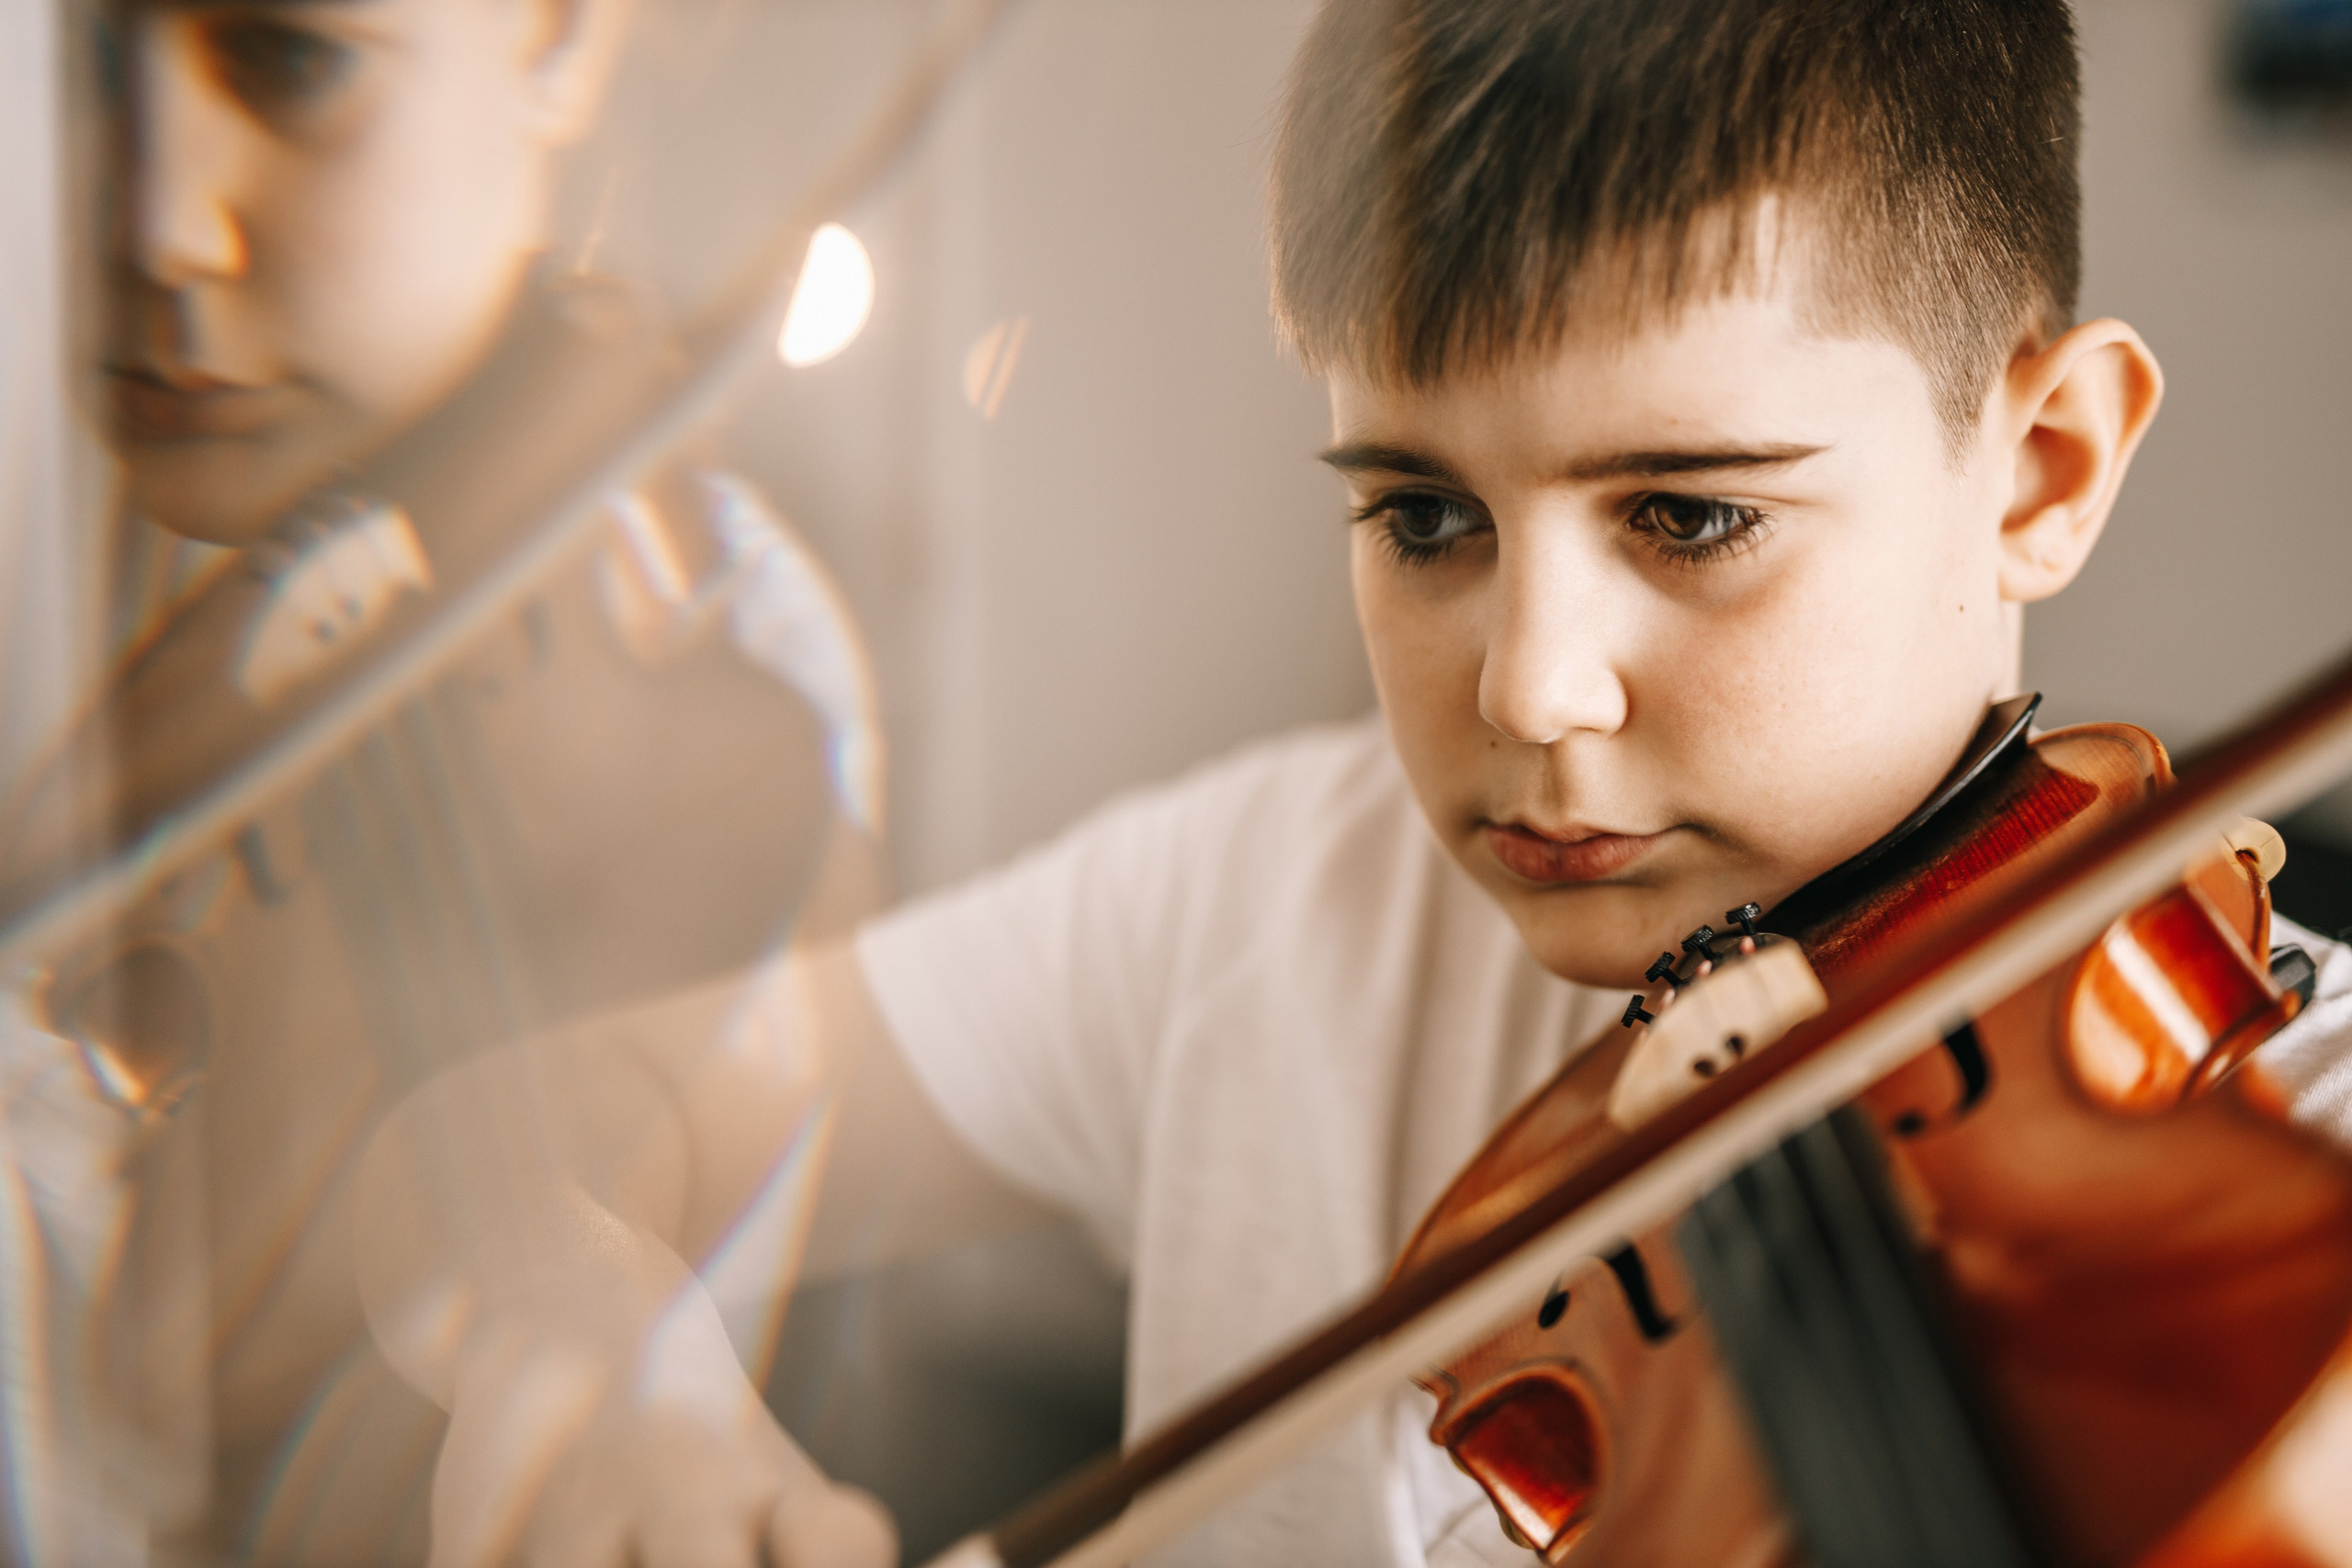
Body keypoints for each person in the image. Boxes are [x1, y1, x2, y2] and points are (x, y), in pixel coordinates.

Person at [352, 1, 2352, 1565]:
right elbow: (532, 1126)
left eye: (1683, 511)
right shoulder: (1252, 904)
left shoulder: (2296, 1177)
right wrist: (601, 1350)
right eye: (1421, 515)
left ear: (2040, 467)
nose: (1526, 683)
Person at [0, 0, 879, 1558]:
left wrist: (605, 1350)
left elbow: (563, 1172)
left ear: (565, 38)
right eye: (75, 66)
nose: (156, 227)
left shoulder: (698, 647)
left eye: (290, 59)